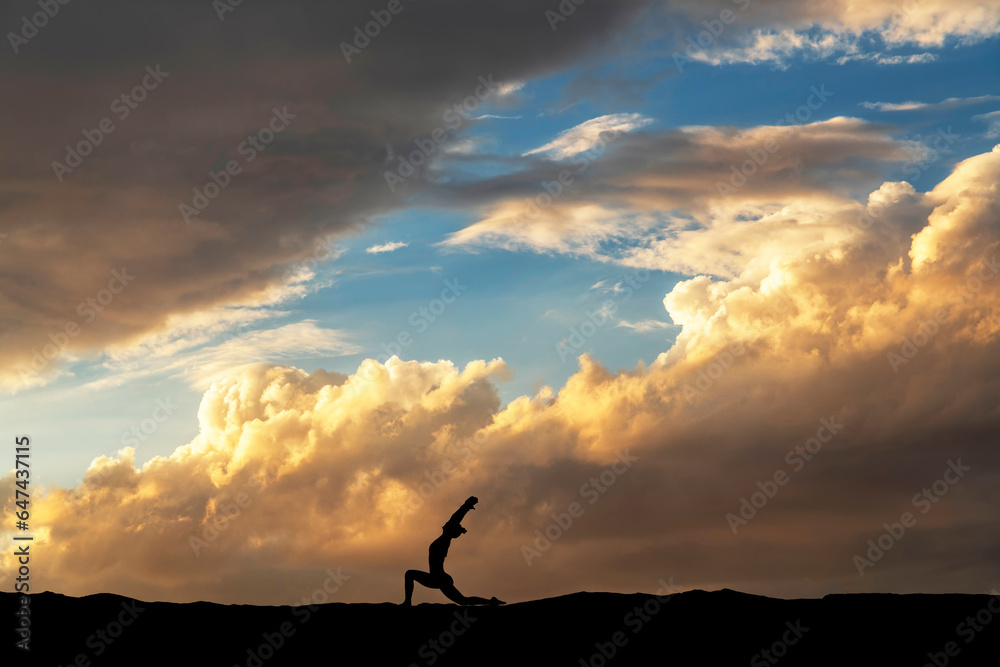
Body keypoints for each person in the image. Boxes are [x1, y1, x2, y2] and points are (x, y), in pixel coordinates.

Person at [402, 495, 505, 606]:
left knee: (409, 574)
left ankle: (407, 602)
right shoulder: (444, 540)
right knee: (463, 601)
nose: (445, 525)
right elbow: (453, 520)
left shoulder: (444, 540)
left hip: (437, 578)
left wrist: (466, 506)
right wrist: (466, 507)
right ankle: (491, 602)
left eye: (448, 526)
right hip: (440, 578)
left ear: (450, 530)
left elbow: (455, 518)